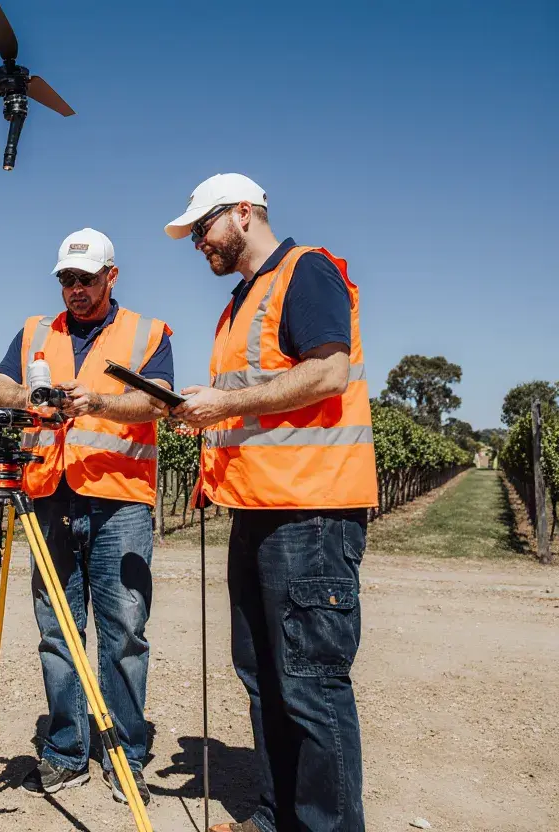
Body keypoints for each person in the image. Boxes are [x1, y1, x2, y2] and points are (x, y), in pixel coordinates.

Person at [164, 174, 378, 832]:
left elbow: (327, 371)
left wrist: (221, 403)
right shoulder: (239, 305)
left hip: (311, 512)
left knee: (310, 684)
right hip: (256, 511)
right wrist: (203, 416)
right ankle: (275, 817)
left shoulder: (304, 271)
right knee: (263, 677)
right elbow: (254, 403)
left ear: (246, 211)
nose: (198, 242)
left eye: (204, 228)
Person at [0, 227, 175, 805]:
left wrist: (99, 403)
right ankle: (66, 749)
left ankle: (125, 754)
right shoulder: (36, 332)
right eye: (66, 280)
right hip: (49, 494)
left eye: (85, 280)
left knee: (122, 632)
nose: (75, 290)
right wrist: (29, 400)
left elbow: (159, 400)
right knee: (57, 630)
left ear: (110, 278)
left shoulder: (147, 331)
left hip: (119, 499)